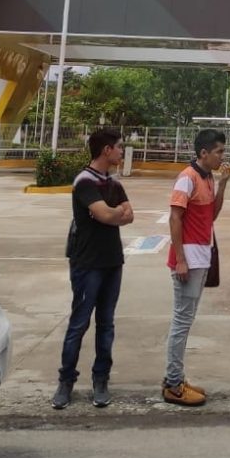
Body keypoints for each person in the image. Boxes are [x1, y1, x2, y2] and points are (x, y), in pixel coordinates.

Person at [53, 128, 134, 409]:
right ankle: (66, 380)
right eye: (119, 146)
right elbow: (107, 214)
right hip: (88, 263)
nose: (122, 151)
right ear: (106, 150)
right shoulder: (84, 181)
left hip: (112, 261)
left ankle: (101, 379)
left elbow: (128, 215)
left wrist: (112, 214)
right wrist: (113, 213)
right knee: (79, 323)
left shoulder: (113, 183)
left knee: (106, 323)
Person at [161, 128, 230, 408]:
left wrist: (223, 185)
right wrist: (180, 259)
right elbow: (174, 219)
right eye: (219, 152)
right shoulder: (187, 178)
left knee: (186, 320)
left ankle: (176, 378)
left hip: (201, 256)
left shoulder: (208, 178)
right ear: (204, 153)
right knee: (181, 322)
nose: (222, 157)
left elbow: (211, 215)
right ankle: (173, 384)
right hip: (188, 260)